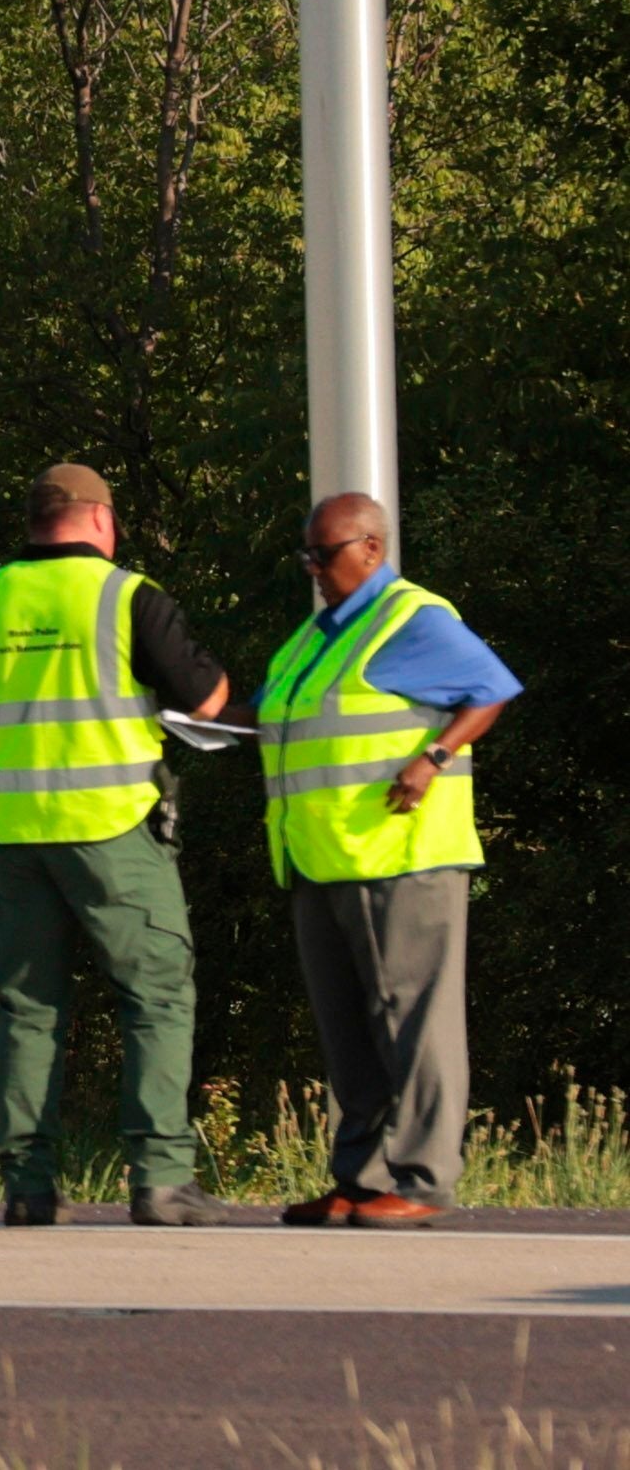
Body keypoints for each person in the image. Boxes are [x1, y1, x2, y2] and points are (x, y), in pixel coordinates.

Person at [0, 464, 240, 1227]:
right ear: (101, 521)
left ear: (37, 521)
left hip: (18, 830)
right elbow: (207, 699)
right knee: (157, 993)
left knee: (29, 1006)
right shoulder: (125, 595)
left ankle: (28, 1186)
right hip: (114, 827)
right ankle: (162, 1178)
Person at [258, 493, 518, 1229]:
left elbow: (492, 686)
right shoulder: (313, 636)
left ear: (371, 547)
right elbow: (282, 719)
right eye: (307, 554)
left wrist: (433, 756)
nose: (314, 567)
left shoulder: (412, 617)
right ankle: (361, 1176)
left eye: (325, 552)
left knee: (416, 1024)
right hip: (321, 858)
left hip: (402, 856)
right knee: (348, 1032)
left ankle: (424, 1179)